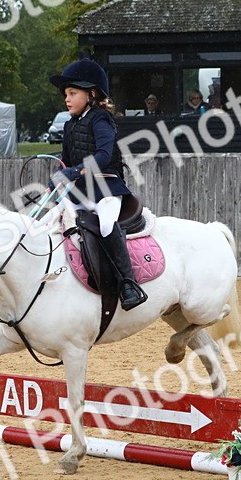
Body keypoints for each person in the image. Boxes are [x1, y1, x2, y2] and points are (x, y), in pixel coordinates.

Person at [49, 60, 147, 311]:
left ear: (91, 94)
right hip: (81, 191)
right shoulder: (70, 125)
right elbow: (67, 161)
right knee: (49, 218)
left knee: (105, 225)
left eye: (72, 93)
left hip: (107, 189)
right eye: (66, 95)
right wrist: (59, 176)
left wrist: (74, 171)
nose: (67, 99)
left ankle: (128, 284)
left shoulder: (101, 119)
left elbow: (103, 155)